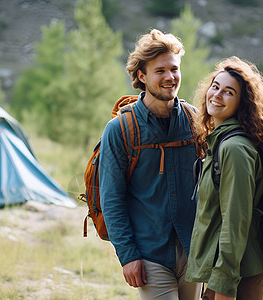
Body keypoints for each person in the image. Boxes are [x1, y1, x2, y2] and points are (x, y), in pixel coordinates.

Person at [99, 29, 202, 300]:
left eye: (174, 69)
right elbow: (112, 199)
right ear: (142, 76)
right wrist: (128, 256)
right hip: (150, 254)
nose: (170, 77)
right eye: (160, 71)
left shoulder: (195, 120)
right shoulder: (120, 129)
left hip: (195, 250)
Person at [185, 56, 263, 300]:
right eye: (215, 86)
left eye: (229, 92)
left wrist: (224, 286)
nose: (217, 95)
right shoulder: (221, 141)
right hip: (225, 271)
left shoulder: (234, 148)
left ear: (243, 103)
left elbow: (236, 222)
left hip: (237, 277)